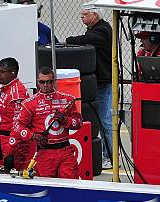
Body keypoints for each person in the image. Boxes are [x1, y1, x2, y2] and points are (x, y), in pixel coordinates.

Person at [3, 67, 83, 179]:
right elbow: (17, 127)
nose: (46, 85)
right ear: (38, 82)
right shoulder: (29, 104)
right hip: (44, 153)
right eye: (42, 82)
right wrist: (33, 136)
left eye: (49, 81)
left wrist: (66, 120)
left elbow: (79, 122)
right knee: (48, 188)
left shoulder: (67, 100)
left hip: (66, 151)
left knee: (70, 185)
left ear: (54, 81)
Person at [65, 5, 113, 169]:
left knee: (105, 119)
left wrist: (70, 40)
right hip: (96, 81)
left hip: (104, 81)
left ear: (95, 15)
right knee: (97, 118)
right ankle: (106, 153)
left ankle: (110, 156)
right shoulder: (94, 30)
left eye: (85, 14)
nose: (82, 17)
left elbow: (89, 40)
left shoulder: (102, 30)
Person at [0, 57, 30, 171]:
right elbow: (4, 119)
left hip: (16, 143)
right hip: (6, 139)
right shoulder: (5, 89)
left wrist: (10, 150)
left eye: (2, 72)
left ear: (13, 73)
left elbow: (18, 124)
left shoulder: (17, 93)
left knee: (16, 176)